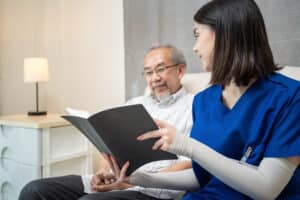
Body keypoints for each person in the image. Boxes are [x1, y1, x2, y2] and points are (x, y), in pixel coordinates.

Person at [103, 0, 300, 199]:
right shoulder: (204, 101)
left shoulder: (289, 98)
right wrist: (138, 179)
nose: (195, 48)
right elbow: (200, 177)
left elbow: (267, 189)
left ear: (226, 34)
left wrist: (187, 145)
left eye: (197, 35)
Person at [19, 44, 194, 200]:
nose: (155, 78)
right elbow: (111, 146)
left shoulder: (194, 106)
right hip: (116, 180)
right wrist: (102, 172)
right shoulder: (134, 104)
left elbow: (190, 163)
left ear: (180, 70)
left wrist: (132, 182)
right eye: (148, 72)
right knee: (34, 190)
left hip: (154, 189)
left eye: (161, 69)